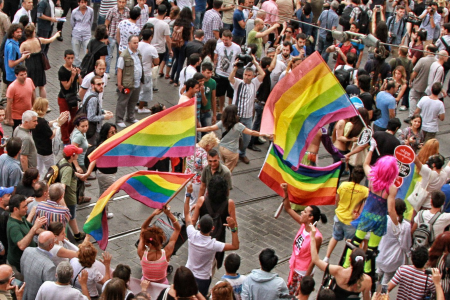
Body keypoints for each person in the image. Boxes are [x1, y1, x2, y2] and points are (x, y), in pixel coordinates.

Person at [344, 140, 399, 274]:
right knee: (372, 248)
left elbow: (366, 164)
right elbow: (391, 210)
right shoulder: (392, 188)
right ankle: (368, 269)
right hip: (380, 219)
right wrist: (397, 224)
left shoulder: (372, 178)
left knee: (355, 242)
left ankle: (346, 264)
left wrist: (372, 149)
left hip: (366, 215)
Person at [184, 183, 239, 297]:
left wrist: (188, 194)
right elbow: (235, 246)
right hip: (203, 279)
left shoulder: (191, 234)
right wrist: (234, 229)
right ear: (212, 228)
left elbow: (187, 215)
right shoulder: (214, 244)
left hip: (188, 274)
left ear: (199, 226)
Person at [281, 183, 327, 295]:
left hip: (303, 272)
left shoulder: (316, 237)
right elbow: (288, 208)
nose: (302, 212)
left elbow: (313, 260)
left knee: (299, 296)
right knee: (291, 294)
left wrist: (305, 280)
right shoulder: (303, 225)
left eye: (305, 212)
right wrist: (286, 192)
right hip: (295, 266)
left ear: (311, 218)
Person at [310, 224, 372, 299]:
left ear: (349, 259)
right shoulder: (367, 280)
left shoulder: (339, 272)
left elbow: (315, 260)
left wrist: (312, 237)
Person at [197, 105, 267, 171]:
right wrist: (265, 134)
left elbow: (209, 128)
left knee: (224, 166)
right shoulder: (239, 126)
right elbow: (252, 132)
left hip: (222, 149)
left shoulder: (222, 122)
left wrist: (197, 129)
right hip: (232, 151)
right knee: (227, 171)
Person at [191, 175, 237, 269]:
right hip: (218, 242)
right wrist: (233, 228)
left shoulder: (201, 200)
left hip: (201, 239)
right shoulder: (229, 203)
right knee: (212, 267)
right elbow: (234, 226)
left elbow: (192, 221)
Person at [324, 166, 368, 262]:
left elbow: (337, 199)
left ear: (351, 175)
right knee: (352, 243)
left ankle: (326, 257)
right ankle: (349, 261)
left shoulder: (343, 185)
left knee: (335, 237)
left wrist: (338, 208)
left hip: (339, 216)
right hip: (351, 221)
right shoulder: (365, 191)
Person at [137, 206, 180, 284]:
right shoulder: (166, 253)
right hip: (162, 285)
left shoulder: (141, 252)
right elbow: (177, 229)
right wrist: (169, 214)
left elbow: (143, 228)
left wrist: (153, 215)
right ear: (161, 240)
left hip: (145, 284)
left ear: (146, 242)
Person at [7, 194, 46, 273]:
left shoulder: (21, 218)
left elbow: (32, 229)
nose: (27, 208)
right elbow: (22, 245)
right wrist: (35, 227)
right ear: (15, 209)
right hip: (18, 267)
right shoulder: (14, 227)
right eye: (24, 207)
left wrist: (51, 234)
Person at [376, 198, 411, 285]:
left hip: (381, 254)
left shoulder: (385, 219)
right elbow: (405, 245)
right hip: (393, 259)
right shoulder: (405, 226)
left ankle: (372, 293)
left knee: (377, 276)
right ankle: (380, 296)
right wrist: (409, 253)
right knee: (386, 283)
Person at [19, 24, 59, 98]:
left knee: (32, 87)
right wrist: (56, 35)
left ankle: (33, 105)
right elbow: (50, 40)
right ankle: (44, 104)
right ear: (33, 32)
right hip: (40, 64)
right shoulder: (39, 40)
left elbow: (19, 54)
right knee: (42, 86)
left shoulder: (24, 44)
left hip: (30, 65)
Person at [32, 98, 68, 178]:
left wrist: (57, 120)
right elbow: (52, 135)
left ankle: (37, 180)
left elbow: (48, 124)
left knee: (39, 168)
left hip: (38, 148)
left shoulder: (35, 119)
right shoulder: (42, 122)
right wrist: (58, 125)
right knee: (51, 169)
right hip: (46, 150)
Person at [57, 145, 86, 242]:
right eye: (77, 153)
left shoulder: (63, 161)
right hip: (69, 198)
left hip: (68, 197)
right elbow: (63, 186)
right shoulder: (68, 169)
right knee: (71, 217)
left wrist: (79, 175)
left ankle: (76, 234)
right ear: (72, 156)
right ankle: (74, 235)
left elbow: (71, 173)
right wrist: (63, 204)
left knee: (71, 217)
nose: (78, 154)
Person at [184, 133, 219, 208]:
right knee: (195, 201)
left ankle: (184, 216)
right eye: (212, 146)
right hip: (197, 181)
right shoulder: (203, 153)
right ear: (208, 145)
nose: (211, 149)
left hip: (187, 177)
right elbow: (206, 167)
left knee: (187, 198)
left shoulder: (193, 146)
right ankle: (191, 218)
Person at [20, 231, 59, 300]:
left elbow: (22, 270)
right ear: (51, 245)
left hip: (25, 293)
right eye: (54, 240)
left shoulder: (27, 250)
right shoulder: (49, 267)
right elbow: (50, 291)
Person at [406, 44, 438, 124]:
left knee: (413, 98)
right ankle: (420, 118)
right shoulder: (436, 62)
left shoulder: (422, 60)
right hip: (428, 86)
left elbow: (415, 72)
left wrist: (411, 80)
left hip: (418, 84)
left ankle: (412, 116)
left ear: (429, 50)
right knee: (422, 102)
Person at [116, 35, 143, 128]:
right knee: (123, 101)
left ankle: (130, 117)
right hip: (127, 83)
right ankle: (119, 119)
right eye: (134, 43)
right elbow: (119, 70)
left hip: (137, 82)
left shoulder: (138, 53)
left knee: (133, 101)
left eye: (137, 42)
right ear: (129, 43)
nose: (136, 44)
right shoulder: (124, 55)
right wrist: (119, 84)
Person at [58, 49, 82, 145]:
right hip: (64, 97)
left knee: (75, 118)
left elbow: (80, 83)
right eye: (68, 58)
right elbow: (66, 86)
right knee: (64, 119)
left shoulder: (74, 68)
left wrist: (78, 74)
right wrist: (72, 76)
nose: (71, 60)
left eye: (72, 58)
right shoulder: (62, 71)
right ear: (65, 58)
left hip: (73, 97)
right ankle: (66, 140)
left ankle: (65, 135)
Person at [214, 30, 242, 112]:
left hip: (231, 75)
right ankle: (221, 109)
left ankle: (229, 110)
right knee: (220, 93)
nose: (224, 42)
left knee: (230, 94)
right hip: (220, 73)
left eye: (226, 40)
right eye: (223, 39)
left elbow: (238, 58)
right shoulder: (218, 45)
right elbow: (215, 58)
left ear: (231, 39)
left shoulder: (237, 48)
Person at [82, 76, 114, 145]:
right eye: (98, 84)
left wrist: (103, 111)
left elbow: (92, 109)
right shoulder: (93, 99)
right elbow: (90, 117)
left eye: (102, 84)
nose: (101, 86)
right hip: (92, 130)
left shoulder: (89, 94)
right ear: (92, 85)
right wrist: (104, 117)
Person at [105, 0, 130, 76]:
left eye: (123, 2)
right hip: (112, 36)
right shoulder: (112, 10)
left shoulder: (128, 11)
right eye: (120, 2)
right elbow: (106, 23)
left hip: (122, 37)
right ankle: (107, 71)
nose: (121, 4)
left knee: (120, 56)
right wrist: (106, 36)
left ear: (125, 2)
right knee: (109, 55)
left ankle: (117, 70)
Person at [137, 29, 159, 114]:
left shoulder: (137, 44)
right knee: (145, 90)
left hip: (136, 70)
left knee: (136, 89)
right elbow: (157, 62)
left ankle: (134, 106)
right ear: (151, 37)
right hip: (146, 71)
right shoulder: (151, 48)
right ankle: (141, 107)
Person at [147, 5, 172, 77]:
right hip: (160, 49)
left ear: (157, 11)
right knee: (155, 68)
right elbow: (168, 39)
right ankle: (152, 82)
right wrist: (170, 50)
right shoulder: (165, 25)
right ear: (165, 13)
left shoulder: (149, 20)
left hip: (149, 46)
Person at [4, 24, 30, 91]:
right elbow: (11, 64)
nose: (20, 34)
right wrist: (22, 58)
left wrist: (22, 54)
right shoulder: (11, 46)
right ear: (12, 33)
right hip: (13, 76)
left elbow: (15, 55)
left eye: (20, 32)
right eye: (17, 32)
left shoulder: (14, 42)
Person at [71, 0, 94, 66]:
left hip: (87, 34)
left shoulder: (90, 11)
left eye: (85, 2)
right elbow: (72, 23)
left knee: (87, 52)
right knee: (76, 53)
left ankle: (86, 66)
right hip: (76, 34)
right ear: (79, 3)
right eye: (82, 2)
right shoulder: (74, 11)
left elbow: (91, 21)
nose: (84, 4)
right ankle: (77, 67)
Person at [199, 63, 217, 127]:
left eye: (211, 73)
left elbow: (213, 98)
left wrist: (214, 115)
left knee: (206, 132)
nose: (210, 75)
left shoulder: (213, 82)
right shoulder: (198, 81)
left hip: (207, 111)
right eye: (208, 73)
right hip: (198, 111)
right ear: (202, 72)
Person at [0, 186, 13, 264]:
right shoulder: (6, 216)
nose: (10, 197)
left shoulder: (4, 213)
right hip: (5, 252)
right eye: (8, 196)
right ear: (1, 199)